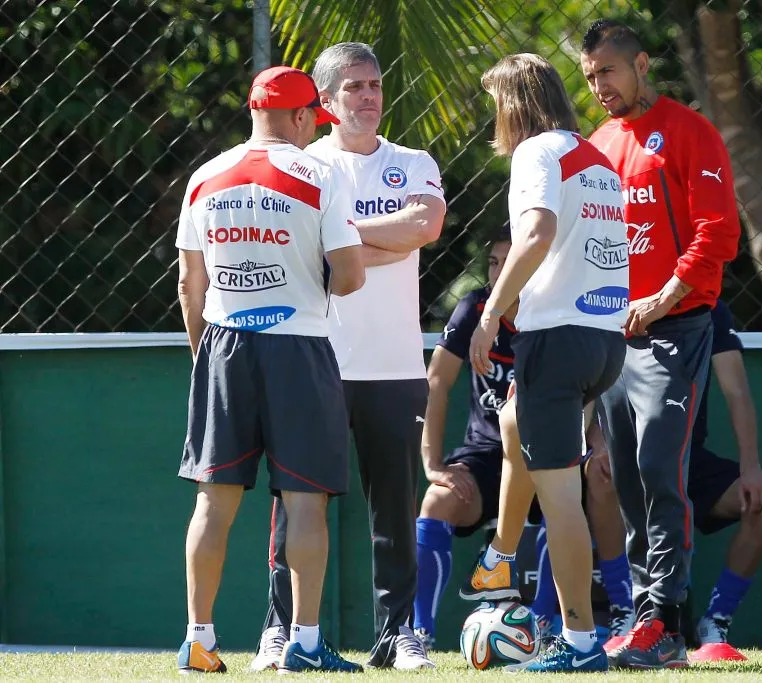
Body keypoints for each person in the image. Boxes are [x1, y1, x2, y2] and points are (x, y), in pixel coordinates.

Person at [249, 43, 445, 672]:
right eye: (355, 87)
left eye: (376, 85)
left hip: (393, 368)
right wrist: (380, 238)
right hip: (315, 362)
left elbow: (425, 228)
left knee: (395, 507)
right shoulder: (303, 168)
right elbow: (309, 252)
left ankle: (400, 635)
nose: (369, 97)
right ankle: (280, 632)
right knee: (296, 503)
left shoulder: (414, 162)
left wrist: (343, 239)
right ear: (325, 104)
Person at [174, 65, 365, 674]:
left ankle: (198, 641)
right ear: (305, 116)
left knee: (214, 500)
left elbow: (188, 283)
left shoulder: (205, 177)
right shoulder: (319, 174)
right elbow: (352, 273)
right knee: (306, 502)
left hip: (225, 343)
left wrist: (203, 349)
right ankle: (304, 644)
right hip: (299, 346)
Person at [580, 19, 743, 669]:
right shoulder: (596, 145)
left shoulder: (689, 131)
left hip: (676, 325)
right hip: (614, 332)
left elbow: (718, 233)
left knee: (658, 464)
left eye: (609, 73)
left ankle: (666, 622)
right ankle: (643, 618)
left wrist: (660, 299)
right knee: (624, 473)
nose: (599, 87)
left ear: (642, 64)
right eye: (590, 77)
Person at [459, 53, 628, 673]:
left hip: (556, 340)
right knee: (513, 423)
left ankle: (582, 642)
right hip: (604, 340)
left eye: (496, 106)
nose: (494, 121)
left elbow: (535, 234)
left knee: (560, 498)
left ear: (515, 105)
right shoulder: (597, 159)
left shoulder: (537, 153)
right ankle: (501, 557)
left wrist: (489, 313)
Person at [411, 233, 635, 648]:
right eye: (493, 263)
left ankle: (549, 625)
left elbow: (593, 389)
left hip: (547, 447)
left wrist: (598, 445)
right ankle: (420, 633)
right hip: (486, 453)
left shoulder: (555, 312)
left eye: (507, 262)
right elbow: (437, 383)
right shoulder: (475, 308)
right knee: (436, 501)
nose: (499, 272)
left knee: (567, 496)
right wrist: (433, 464)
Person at [676, 299, 762, 662]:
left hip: (688, 458)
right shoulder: (614, 293)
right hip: (628, 458)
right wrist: (596, 442)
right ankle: (626, 617)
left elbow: (736, 391)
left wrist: (752, 468)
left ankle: (715, 623)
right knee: (600, 482)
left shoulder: (709, 307)